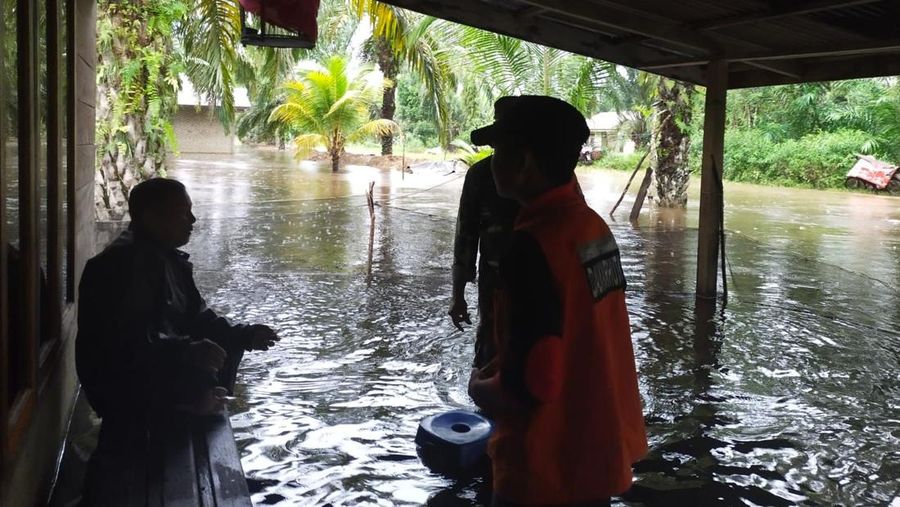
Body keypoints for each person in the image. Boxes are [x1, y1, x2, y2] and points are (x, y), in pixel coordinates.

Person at [466, 96, 647, 506]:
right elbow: (582, 330)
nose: (492, 163)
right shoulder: (592, 228)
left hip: (546, 467)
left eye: (498, 151)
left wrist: (481, 388)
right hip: (599, 451)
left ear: (524, 162)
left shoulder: (531, 245)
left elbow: (538, 380)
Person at [76, 178, 279, 503]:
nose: (193, 221)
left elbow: (197, 317)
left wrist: (244, 334)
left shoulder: (165, 258)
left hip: (151, 378)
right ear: (149, 217)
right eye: (183, 214)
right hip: (125, 392)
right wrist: (186, 352)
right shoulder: (119, 268)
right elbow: (119, 344)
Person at [449, 154, 520, 368]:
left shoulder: (482, 173)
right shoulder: (552, 169)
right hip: (501, 290)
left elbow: (465, 239)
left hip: (498, 289)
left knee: (491, 357)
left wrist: (458, 296)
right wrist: (457, 295)